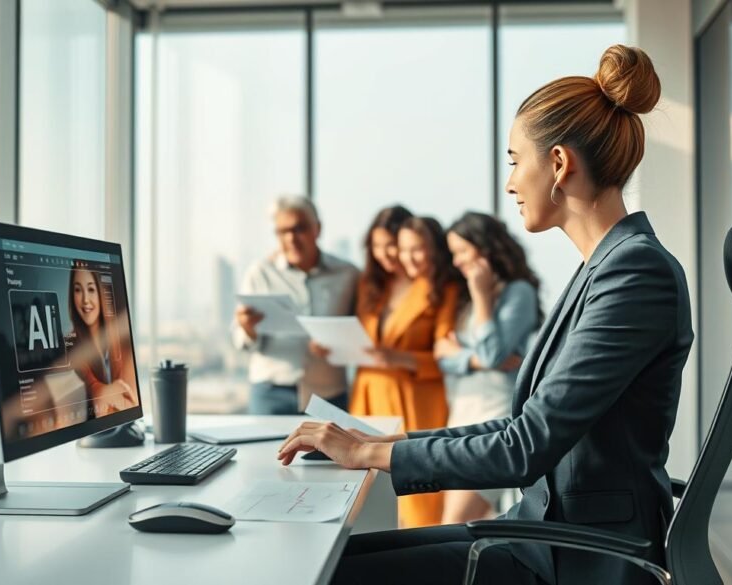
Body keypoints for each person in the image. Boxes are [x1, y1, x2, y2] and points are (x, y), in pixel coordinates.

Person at [277, 44, 693, 585]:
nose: (510, 183)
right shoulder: (607, 266)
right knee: (330, 561)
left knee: (325, 574)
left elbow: (525, 448)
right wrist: (386, 443)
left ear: (560, 164)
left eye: (517, 161)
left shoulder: (634, 274)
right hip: (543, 531)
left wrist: (367, 453)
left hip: (580, 556)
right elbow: (523, 425)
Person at [350, 213, 461, 528]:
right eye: (397, 248)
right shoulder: (375, 287)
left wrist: (398, 358)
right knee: (365, 492)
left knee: (417, 498)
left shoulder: (439, 288)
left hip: (414, 398)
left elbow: (445, 355)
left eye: (411, 248)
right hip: (369, 394)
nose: (397, 255)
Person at [434, 211, 542, 525]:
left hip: (496, 417)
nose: (456, 262)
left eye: (461, 251)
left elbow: (493, 354)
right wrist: (473, 358)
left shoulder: (517, 292)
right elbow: (443, 355)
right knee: (457, 522)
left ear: (485, 247)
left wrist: (482, 297)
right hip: (462, 414)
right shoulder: (464, 298)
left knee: (453, 521)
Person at [233, 196, 359, 414]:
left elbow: (364, 331)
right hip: (270, 393)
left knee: (332, 450)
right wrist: (247, 329)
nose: (291, 238)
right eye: (282, 231)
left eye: (299, 228)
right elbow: (240, 340)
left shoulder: (348, 274)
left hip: (329, 394)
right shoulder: (260, 273)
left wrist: (338, 345)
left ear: (317, 229)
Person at [69, 267, 138, 417]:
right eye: (78, 290)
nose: (85, 300)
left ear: (102, 292)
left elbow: (130, 401)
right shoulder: (70, 345)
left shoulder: (120, 341)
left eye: (91, 289)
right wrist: (100, 391)